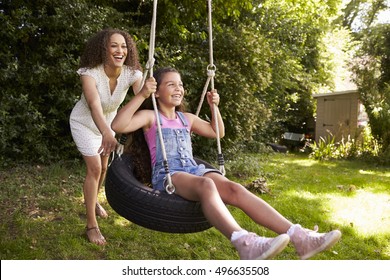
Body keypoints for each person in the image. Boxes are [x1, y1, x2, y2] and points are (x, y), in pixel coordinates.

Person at [111, 67, 341, 259]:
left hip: (192, 169)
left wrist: (214, 107)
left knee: (234, 188)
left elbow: (217, 131)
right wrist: (141, 95)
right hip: (169, 176)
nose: (178, 88)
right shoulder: (151, 117)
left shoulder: (186, 118)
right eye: (170, 84)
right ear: (157, 91)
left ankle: (300, 237)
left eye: (180, 84)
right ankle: (244, 242)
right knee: (207, 186)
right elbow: (118, 126)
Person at [69, 28, 148, 245]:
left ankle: (92, 200)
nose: (120, 50)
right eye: (114, 45)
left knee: (104, 168)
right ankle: (91, 226)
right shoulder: (89, 73)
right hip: (85, 123)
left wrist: (153, 90)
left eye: (124, 46)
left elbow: (146, 99)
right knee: (94, 169)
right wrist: (106, 132)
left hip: (110, 124)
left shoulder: (133, 74)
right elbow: (94, 105)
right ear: (104, 49)